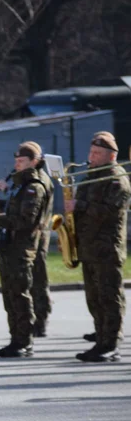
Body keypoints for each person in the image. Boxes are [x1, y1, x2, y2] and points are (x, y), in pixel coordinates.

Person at [0, 142, 52, 358]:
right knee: (10, 297)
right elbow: (13, 210)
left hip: (21, 248)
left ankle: (24, 341)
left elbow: (25, 220)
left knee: (19, 296)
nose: (16, 165)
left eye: (21, 161)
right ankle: (15, 339)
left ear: (34, 162)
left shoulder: (33, 187)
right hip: (9, 246)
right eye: (16, 161)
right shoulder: (20, 185)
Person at [66, 132, 130, 362]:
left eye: (97, 153)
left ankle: (111, 344)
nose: (91, 157)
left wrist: (79, 205)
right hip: (89, 246)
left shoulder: (116, 178)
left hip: (106, 247)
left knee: (109, 296)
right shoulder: (91, 176)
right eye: (91, 152)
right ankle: (100, 340)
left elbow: (112, 211)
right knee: (94, 298)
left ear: (111, 156)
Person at [25, 142, 55, 338]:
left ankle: (41, 319)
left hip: (38, 235)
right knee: (30, 279)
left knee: (39, 279)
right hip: (28, 236)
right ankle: (33, 319)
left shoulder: (40, 180)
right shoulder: (28, 178)